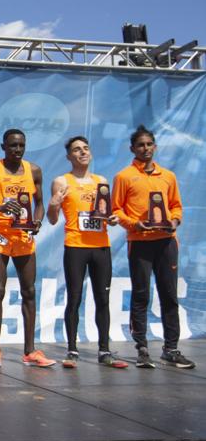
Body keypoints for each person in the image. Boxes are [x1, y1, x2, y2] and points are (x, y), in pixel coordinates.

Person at [111, 125, 194, 369]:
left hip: (167, 242)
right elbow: (116, 210)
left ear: (155, 147)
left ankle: (171, 349)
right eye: (140, 145)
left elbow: (176, 206)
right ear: (132, 149)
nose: (145, 148)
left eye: (149, 144)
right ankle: (142, 349)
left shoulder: (168, 176)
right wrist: (134, 224)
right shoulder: (124, 176)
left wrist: (174, 221)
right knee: (141, 295)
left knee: (169, 295)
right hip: (140, 243)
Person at [0, 129, 55, 369]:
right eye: (12, 146)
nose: (17, 150)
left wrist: (37, 221)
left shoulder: (34, 170)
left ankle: (30, 351)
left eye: (21, 145)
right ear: (3, 147)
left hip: (23, 236)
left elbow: (39, 204)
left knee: (29, 291)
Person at [47, 136, 127, 369]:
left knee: (103, 299)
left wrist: (112, 219)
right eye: (76, 150)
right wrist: (53, 204)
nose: (82, 152)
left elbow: (106, 215)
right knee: (74, 297)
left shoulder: (101, 181)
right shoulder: (62, 181)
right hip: (76, 246)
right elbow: (52, 220)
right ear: (69, 156)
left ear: (90, 153)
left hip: (101, 247)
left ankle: (104, 350)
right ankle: (72, 350)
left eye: (85, 148)